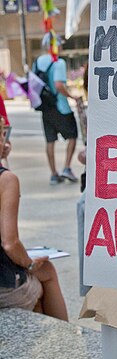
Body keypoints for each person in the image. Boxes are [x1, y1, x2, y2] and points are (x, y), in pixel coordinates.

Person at [0, 121, 68, 320]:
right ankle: (66, 342)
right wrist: (29, 264)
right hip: (4, 287)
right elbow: (10, 243)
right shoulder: (6, 180)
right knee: (46, 270)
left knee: (37, 299)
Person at [33, 38, 79, 185]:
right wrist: (72, 96)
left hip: (45, 108)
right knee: (72, 136)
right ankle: (67, 167)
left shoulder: (38, 61)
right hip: (61, 107)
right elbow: (59, 85)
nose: (60, 48)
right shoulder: (59, 62)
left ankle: (53, 174)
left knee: (50, 140)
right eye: (59, 45)